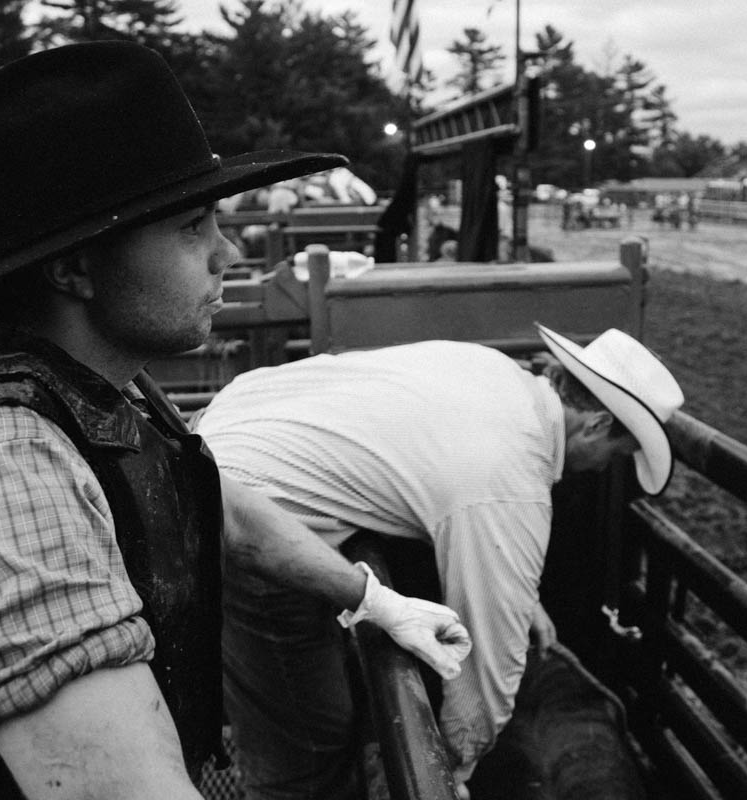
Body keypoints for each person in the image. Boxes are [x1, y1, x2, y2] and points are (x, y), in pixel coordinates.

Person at [0, 42, 469, 799]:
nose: (227, 253)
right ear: (73, 269)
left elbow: (209, 504)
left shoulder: (98, 382)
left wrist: (371, 599)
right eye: (192, 225)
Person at [194, 323, 685, 799]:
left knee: (315, 710)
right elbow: (485, 688)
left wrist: (516, 591)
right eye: (620, 452)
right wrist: (448, 774)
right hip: (248, 510)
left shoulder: (496, 373)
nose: (606, 467)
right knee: (308, 749)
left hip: (219, 436)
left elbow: (446, 474)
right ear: (597, 425)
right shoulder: (513, 482)